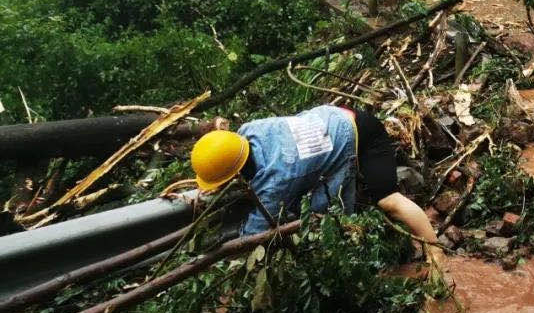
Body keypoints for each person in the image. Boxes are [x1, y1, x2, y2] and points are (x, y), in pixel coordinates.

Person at [189, 105, 449, 268]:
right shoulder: (247, 132)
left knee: (382, 201)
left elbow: (250, 236)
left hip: (361, 133)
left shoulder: (277, 180)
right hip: (334, 115)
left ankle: (436, 252)